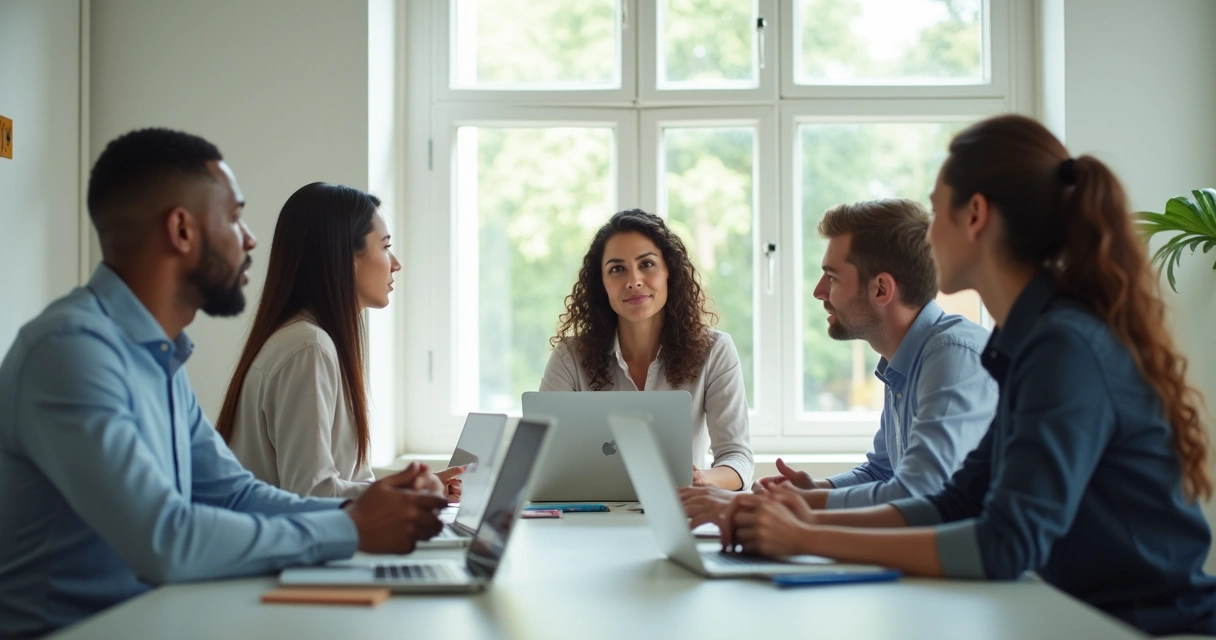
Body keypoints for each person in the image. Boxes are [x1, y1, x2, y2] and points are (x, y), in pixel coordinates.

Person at [723, 114, 1216, 636]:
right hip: (1078, 619)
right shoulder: (1025, 339)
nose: (929, 233)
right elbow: (956, 501)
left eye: (937, 211)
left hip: (1150, 628)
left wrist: (807, 537)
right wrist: (803, 519)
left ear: (976, 215)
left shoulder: (1061, 345)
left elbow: (1005, 543)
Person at [0, 129, 447, 638]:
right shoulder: (71, 352)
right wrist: (352, 527)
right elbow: (166, 538)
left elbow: (234, 494)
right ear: (181, 230)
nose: (250, 239)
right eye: (234, 218)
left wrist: (361, 508)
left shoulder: (159, 357)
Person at [681, 199, 996, 526]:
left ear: (881, 289)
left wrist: (787, 503)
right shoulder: (904, 362)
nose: (819, 292)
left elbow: (919, 491)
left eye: (832, 278)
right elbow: (882, 472)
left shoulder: (952, 356)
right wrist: (816, 489)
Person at [216, 182, 463, 501]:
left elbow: (332, 483)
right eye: (385, 246)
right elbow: (312, 492)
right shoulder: (309, 347)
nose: (395, 263)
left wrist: (414, 488)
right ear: (346, 256)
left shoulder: (307, 340)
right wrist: (408, 495)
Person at [539, 209, 753, 489]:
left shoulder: (715, 351)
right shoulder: (569, 357)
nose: (634, 281)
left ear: (669, 272)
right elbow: (540, 458)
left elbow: (738, 458)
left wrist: (700, 480)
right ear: (601, 284)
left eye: (647, 264)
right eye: (617, 269)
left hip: (684, 506)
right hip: (593, 510)